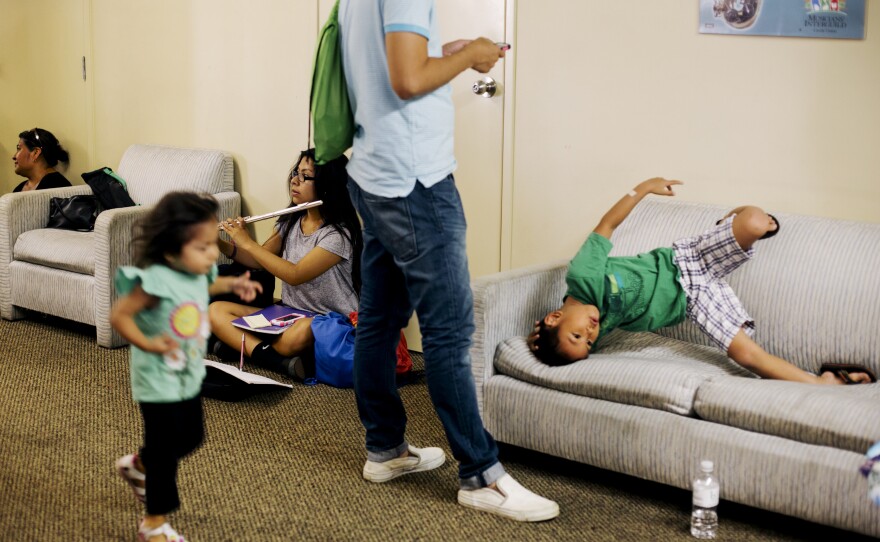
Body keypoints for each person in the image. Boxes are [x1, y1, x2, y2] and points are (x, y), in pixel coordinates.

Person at [338, 0, 559, 522]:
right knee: (449, 333)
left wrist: (448, 52)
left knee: (380, 317)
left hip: (376, 172)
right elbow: (408, 79)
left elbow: (394, 63)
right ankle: (481, 476)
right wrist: (473, 54)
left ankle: (386, 450)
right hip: (416, 184)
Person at [527, 177, 876, 385]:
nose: (590, 334)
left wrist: (643, 187)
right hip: (696, 301)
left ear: (555, 317)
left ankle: (737, 219)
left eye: (579, 335)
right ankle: (822, 383)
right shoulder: (597, 324)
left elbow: (607, 224)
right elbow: (556, 349)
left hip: (689, 260)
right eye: (588, 344)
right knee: (745, 355)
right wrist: (541, 342)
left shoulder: (583, 275)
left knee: (756, 222)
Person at [110, 192, 263, 542]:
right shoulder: (155, 281)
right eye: (203, 246)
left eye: (213, 244)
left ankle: (141, 464)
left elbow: (208, 282)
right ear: (170, 248)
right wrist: (147, 343)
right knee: (166, 450)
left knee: (191, 437)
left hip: (189, 373)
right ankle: (154, 524)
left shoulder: (198, 269)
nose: (213, 253)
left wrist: (233, 283)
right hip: (158, 379)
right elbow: (120, 315)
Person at [208, 149, 362, 379]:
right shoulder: (290, 221)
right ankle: (274, 360)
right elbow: (258, 261)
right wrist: (220, 242)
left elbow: (295, 274)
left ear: (327, 185)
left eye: (305, 176)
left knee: (298, 335)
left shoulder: (337, 235)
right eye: (295, 173)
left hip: (325, 321)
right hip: (286, 314)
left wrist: (248, 242)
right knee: (216, 310)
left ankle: (242, 345)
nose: (294, 180)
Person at [11, 128, 72, 192]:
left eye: (19, 148)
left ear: (35, 153)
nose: (14, 156)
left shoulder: (58, 187)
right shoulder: (18, 189)